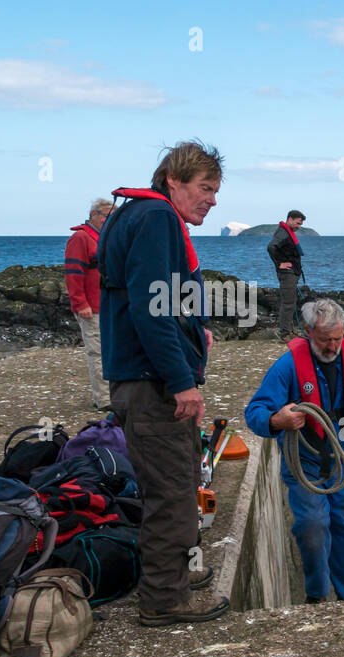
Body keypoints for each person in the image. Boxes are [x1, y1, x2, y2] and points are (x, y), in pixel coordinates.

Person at [98, 140, 230, 626]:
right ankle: (164, 599)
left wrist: (197, 330)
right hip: (153, 383)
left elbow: (155, 300)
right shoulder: (155, 219)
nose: (212, 200)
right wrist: (181, 382)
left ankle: (174, 573)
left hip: (137, 376)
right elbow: (151, 308)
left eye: (215, 191)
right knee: (172, 492)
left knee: (171, 481)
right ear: (173, 180)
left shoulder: (133, 214)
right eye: (205, 188)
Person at [244, 298, 344, 603]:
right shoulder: (287, 365)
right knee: (311, 528)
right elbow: (255, 412)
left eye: (337, 339)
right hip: (306, 463)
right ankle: (316, 596)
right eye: (324, 340)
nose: (332, 347)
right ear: (307, 332)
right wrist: (277, 419)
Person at [64, 198, 113, 409]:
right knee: (97, 353)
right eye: (105, 215)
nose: (108, 220)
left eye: (111, 217)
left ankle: (109, 395)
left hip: (107, 306)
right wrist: (79, 303)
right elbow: (73, 273)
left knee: (109, 352)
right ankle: (103, 399)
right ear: (93, 215)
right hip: (90, 308)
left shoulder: (103, 238)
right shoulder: (80, 238)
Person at [268, 210, 306, 335]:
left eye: (300, 224)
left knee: (290, 301)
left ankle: (289, 330)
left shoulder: (286, 232)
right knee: (288, 303)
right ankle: (285, 333)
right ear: (290, 219)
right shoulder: (283, 233)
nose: (298, 227)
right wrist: (279, 263)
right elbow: (271, 247)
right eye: (297, 223)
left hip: (292, 273)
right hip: (287, 274)